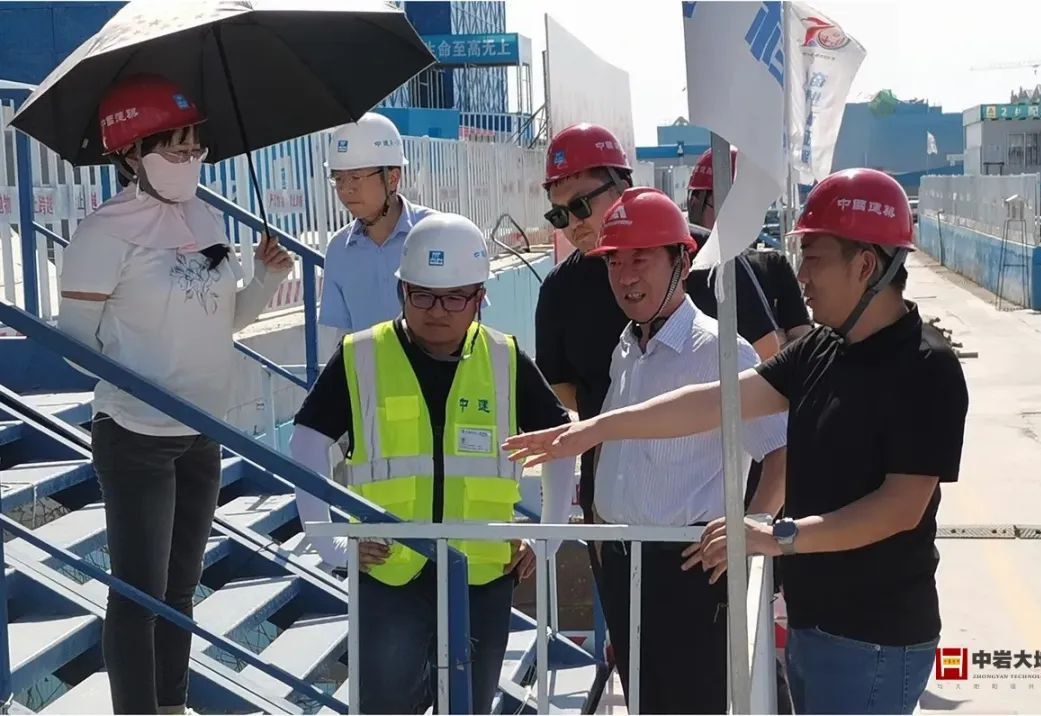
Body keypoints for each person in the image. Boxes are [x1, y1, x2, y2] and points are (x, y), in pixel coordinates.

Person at [504, 168, 969, 715]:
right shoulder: (822, 351)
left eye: (813, 259)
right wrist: (595, 429)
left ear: (865, 265)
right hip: (815, 621)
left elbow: (900, 507)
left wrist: (774, 533)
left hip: (874, 635)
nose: (800, 277)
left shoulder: (924, 366)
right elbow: (715, 401)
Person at [56, 74, 293, 715]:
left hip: (200, 430)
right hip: (135, 435)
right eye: (175, 149)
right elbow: (74, 346)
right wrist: (146, 373)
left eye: (196, 149)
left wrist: (265, 278)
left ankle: (171, 704)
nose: (190, 160)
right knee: (140, 591)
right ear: (130, 154)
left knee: (181, 588)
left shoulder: (203, 215)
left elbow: (225, 319)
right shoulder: (103, 234)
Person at [289, 212, 576, 714]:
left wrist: (547, 537)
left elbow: (561, 442)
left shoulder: (505, 359)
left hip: (482, 574)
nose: (437, 311)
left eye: (454, 297)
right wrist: (330, 544)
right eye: (422, 295)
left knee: (468, 706)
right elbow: (306, 443)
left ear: (480, 297)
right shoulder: (361, 355)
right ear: (402, 290)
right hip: (390, 572)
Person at [584, 187, 788, 713]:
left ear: (682, 261)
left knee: (691, 703)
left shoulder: (721, 350)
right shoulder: (625, 347)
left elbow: (783, 451)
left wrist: (751, 527)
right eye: (614, 262)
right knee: (643, 701)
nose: (625, 276)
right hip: (624, 566)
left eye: (641, 259)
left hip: (690, 568)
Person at [535, 123, 780, 543]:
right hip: (612, 519)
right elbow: (566, 393)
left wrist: (755, 521)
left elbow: (769, 373)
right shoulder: (564, 293)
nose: (572, 224)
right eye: (559, 215)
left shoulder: (710, 259)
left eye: (580, 206)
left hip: (707, 530)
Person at [318, 112, 437, 339]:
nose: (345, 189)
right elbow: (340, 338)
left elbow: (469, 322)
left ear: (392, 178)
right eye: (338, 179)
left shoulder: (436, 233)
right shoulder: (338, 249)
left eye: (355, 177)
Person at [687, 147, 812, 353]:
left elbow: (804, 344)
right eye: (729, 206)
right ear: (695, 204)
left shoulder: (773, 265)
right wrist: (776, 342)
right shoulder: (679, 268)